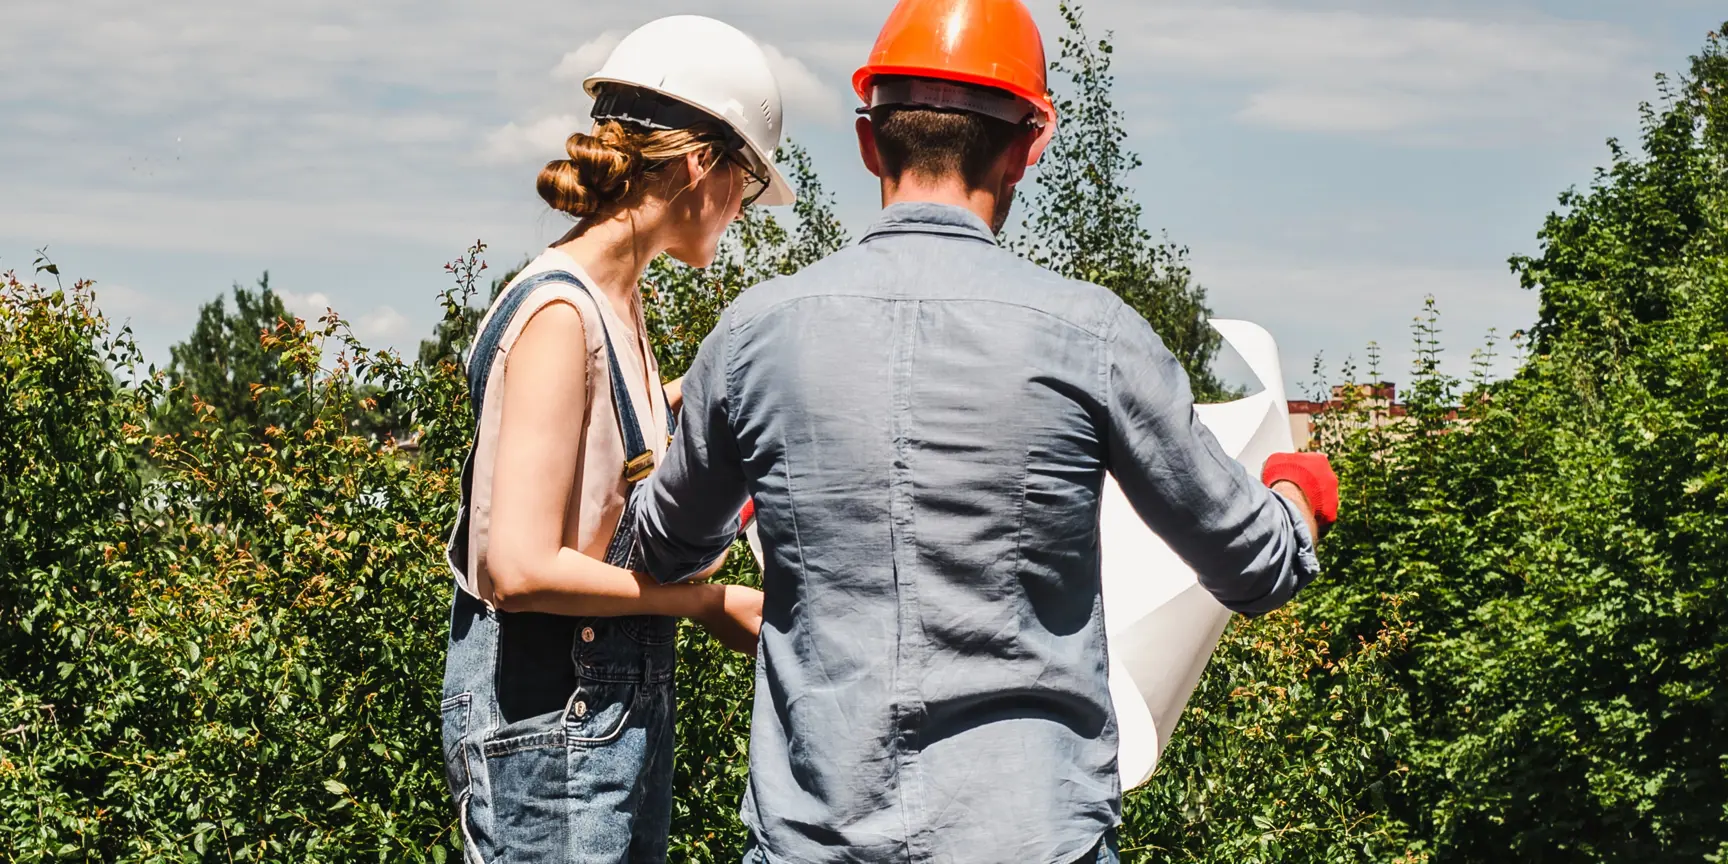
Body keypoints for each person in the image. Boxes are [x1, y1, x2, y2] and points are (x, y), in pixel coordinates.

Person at [632, 1, 1342, 862]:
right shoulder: (1093, 338)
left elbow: (663, 547)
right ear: (1027, 148)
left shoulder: (755, 336)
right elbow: (1257, 566)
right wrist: (1299, 491)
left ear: (869, 143)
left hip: (815, 842)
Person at [438, 16, 792, 863]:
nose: (746, 209)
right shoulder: (563, 314)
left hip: (592, 712)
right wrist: (704, 604)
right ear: (702, 165)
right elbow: (517, 568)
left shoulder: (615, 305)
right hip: (550, 719)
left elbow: (613, 443)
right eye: (747, 180)